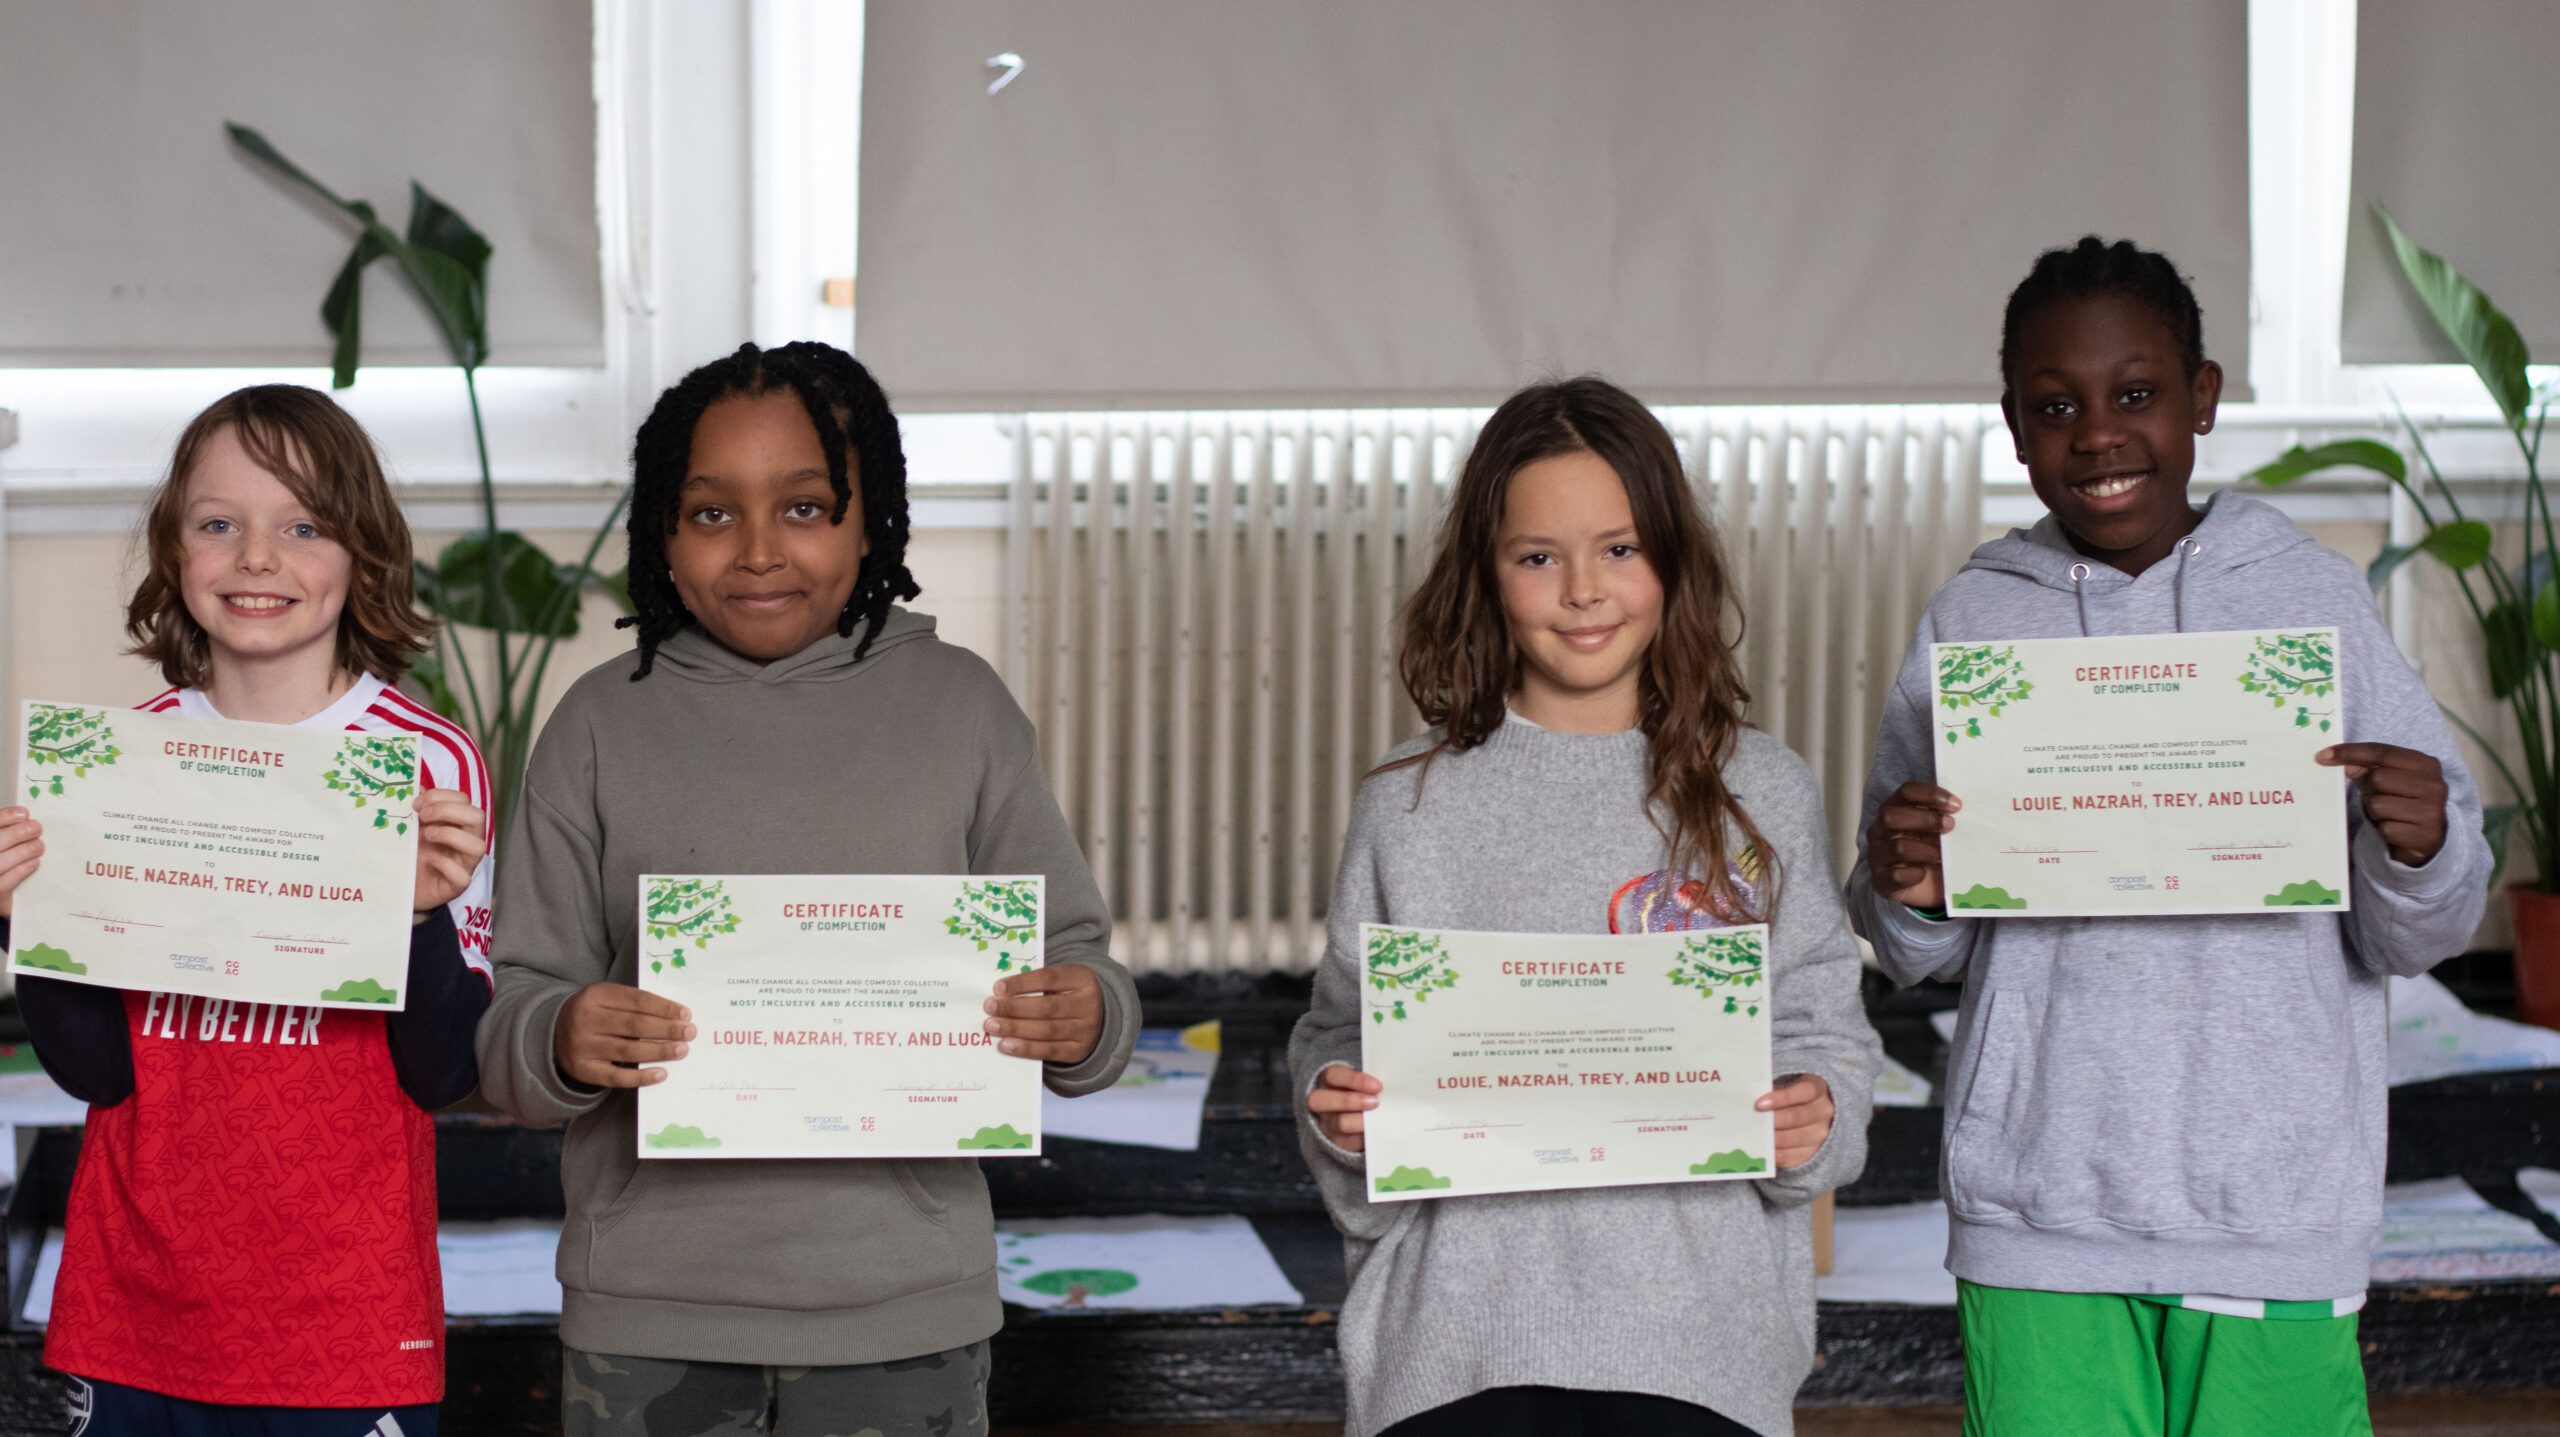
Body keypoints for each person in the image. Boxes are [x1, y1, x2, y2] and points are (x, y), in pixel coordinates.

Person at [1852, 237, 2488, 1437]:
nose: (2097, 434)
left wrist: (2421, 846)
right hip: (2038, 1206)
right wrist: (1908, 889)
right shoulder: (1973, 621)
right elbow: (1915, 949)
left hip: (2272, 1200)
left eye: (2134, 393)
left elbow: (2421, 933)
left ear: (2201, 396)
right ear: (2013, 426)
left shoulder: (2310, 603)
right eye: (2056, 407)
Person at [473, 341, 1140, 1436]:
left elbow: (1081, 964)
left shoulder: (962, 710)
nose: (758, 549)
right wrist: (561, 1033)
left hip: (905, 1311)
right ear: (662, 534)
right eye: (711, 513)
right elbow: (513, 1015)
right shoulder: (596, 725)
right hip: (650, 1314)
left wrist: (1084, 1015)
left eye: (805, 507)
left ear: (869, 523)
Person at [1292, 376, 1881, 1437]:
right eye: (1536, 557)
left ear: (1674, 557)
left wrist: (1817, 1110)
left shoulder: (1762, 788)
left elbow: (1821, 1027)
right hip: (1453, 1351)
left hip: (1700, 1350)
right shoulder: (1408, 803)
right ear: (1485, 574)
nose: (1582, 591)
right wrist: (1341, 1112)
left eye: (1619, 548)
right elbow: (1339, 1036)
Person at [9, 384, 492, 1434]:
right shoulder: (121, 762)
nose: (258, 557)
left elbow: (445, 1070)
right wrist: (27, 920)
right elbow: (97, 1073)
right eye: (219, 523)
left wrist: (414, 921)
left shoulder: (428, 766)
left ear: (362, 554)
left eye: (304, 526)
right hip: (136, 1306)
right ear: (174, 550)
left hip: (348, 1321)